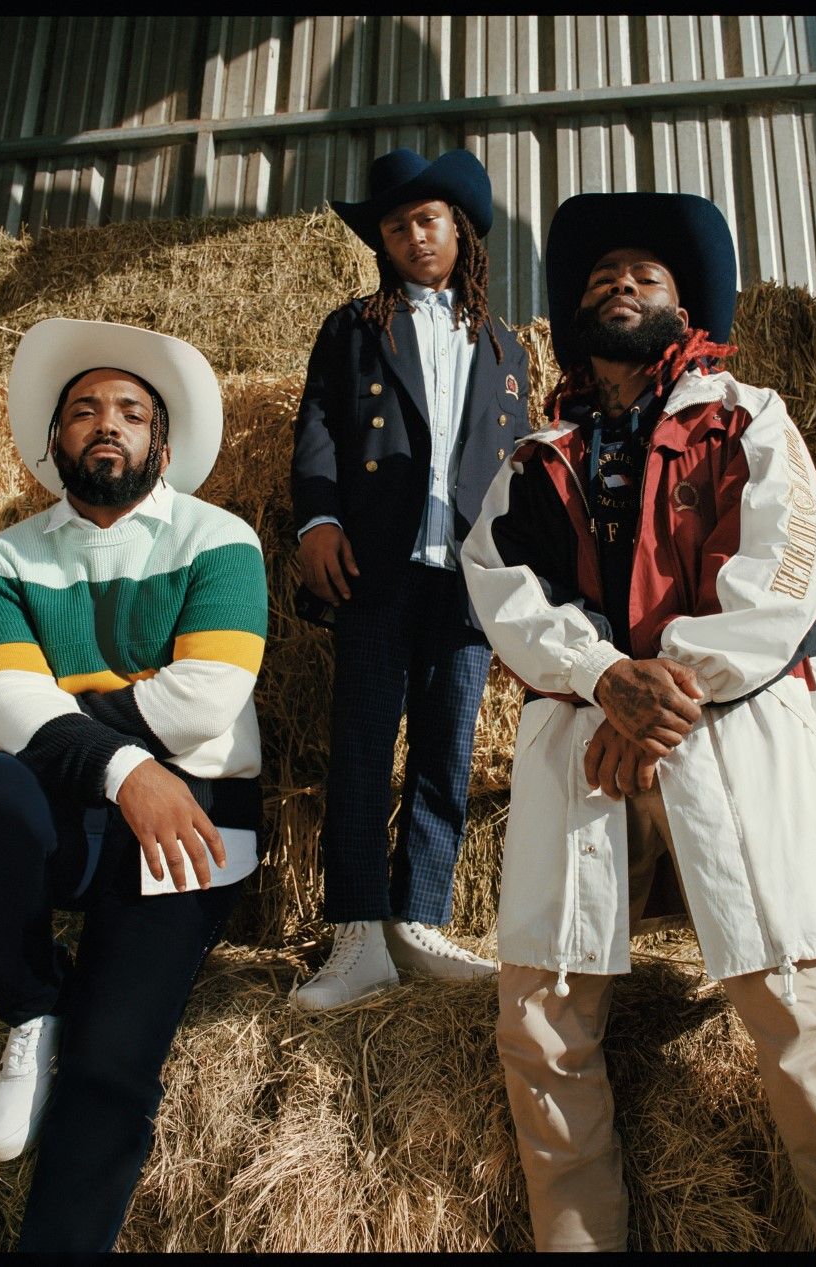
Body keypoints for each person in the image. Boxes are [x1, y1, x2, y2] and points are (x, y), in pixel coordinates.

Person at [460, 193, 816, 1252]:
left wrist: (654, 694)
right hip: (589, 749)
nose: (620, 284)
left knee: (792, 1017)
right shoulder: (537, 459)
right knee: (540, 1024)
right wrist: (601, 675)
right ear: (577, 321)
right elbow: (503, 586)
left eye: (645, 275)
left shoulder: (749, 417)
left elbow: (781, 573)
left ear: (683, 307)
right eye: (600, 278)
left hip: (722, 736)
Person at [0, 318, 268, 1251]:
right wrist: (125, 770)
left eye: (130, 411)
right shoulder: (4, 559)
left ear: (163, 443)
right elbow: (5, 702)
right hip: (76, 811)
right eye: (83, 410)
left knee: (112, 1061)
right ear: (55, 439)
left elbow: (207, 696)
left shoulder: (220, 540)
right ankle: (33, 1005)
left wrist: (66, 724)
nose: (106, 423)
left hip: (194, 821)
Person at [287, 148, 532, 1011]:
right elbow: (319, 423)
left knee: (445, 749)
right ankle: (358, 930)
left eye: (427, 220)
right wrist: (318, 520)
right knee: (361, 742)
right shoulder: (354, 326)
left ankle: (419, 919)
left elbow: (521, 467)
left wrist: (520, 575)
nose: (414, 236)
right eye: (396, 227)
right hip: (376, 562)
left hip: (469, 575)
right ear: (383, 244)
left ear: (460, 231)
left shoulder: (504, 345)